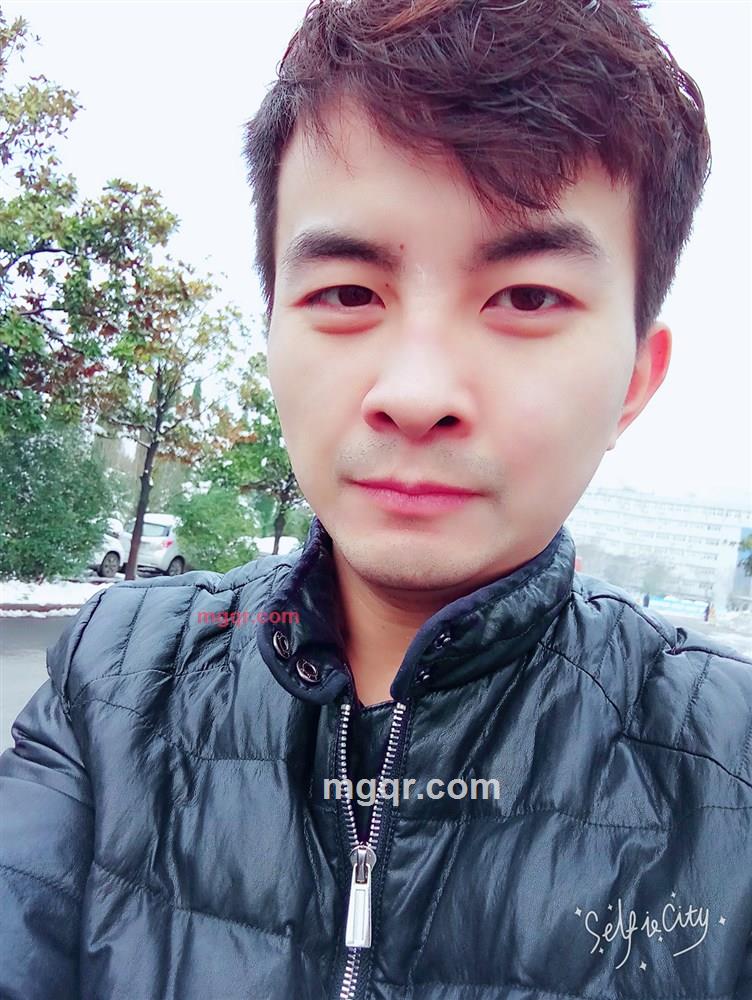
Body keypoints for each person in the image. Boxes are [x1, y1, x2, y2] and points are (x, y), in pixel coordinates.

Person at [2, 1, 751, 997]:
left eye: (528, 297)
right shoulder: (117, 679)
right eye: (348, 294)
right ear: (273, 329)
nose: (416, 392)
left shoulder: (730, 761)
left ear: (633, 382)